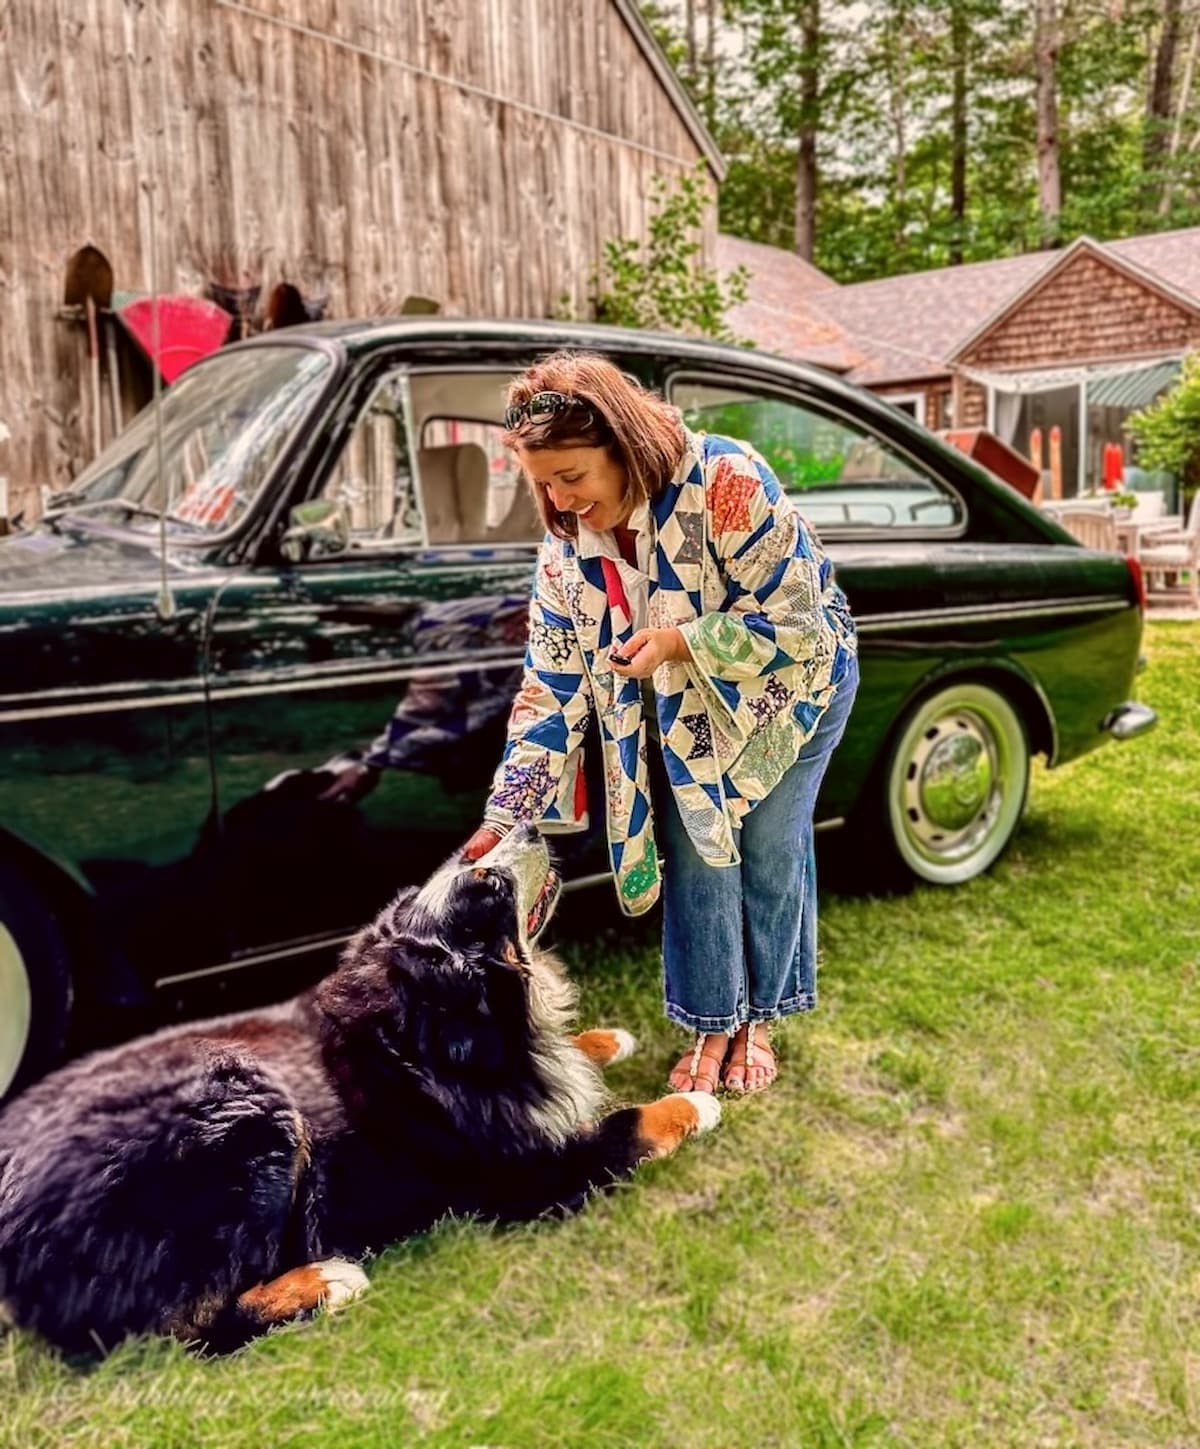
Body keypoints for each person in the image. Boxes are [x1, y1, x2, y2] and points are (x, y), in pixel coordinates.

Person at [462, 353, 858, 1096]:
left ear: (624, 444)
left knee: (769, 843)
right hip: (690, 705)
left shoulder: (729, 480)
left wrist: (682, 641)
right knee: (694, 839)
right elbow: (548, 690)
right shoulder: (562, 555)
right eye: (542, 483)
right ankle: (712, 1022)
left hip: (794, 681)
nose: (559, 501)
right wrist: (505, 813)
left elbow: (797, 624)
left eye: (572, 477)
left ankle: (760, 1018)